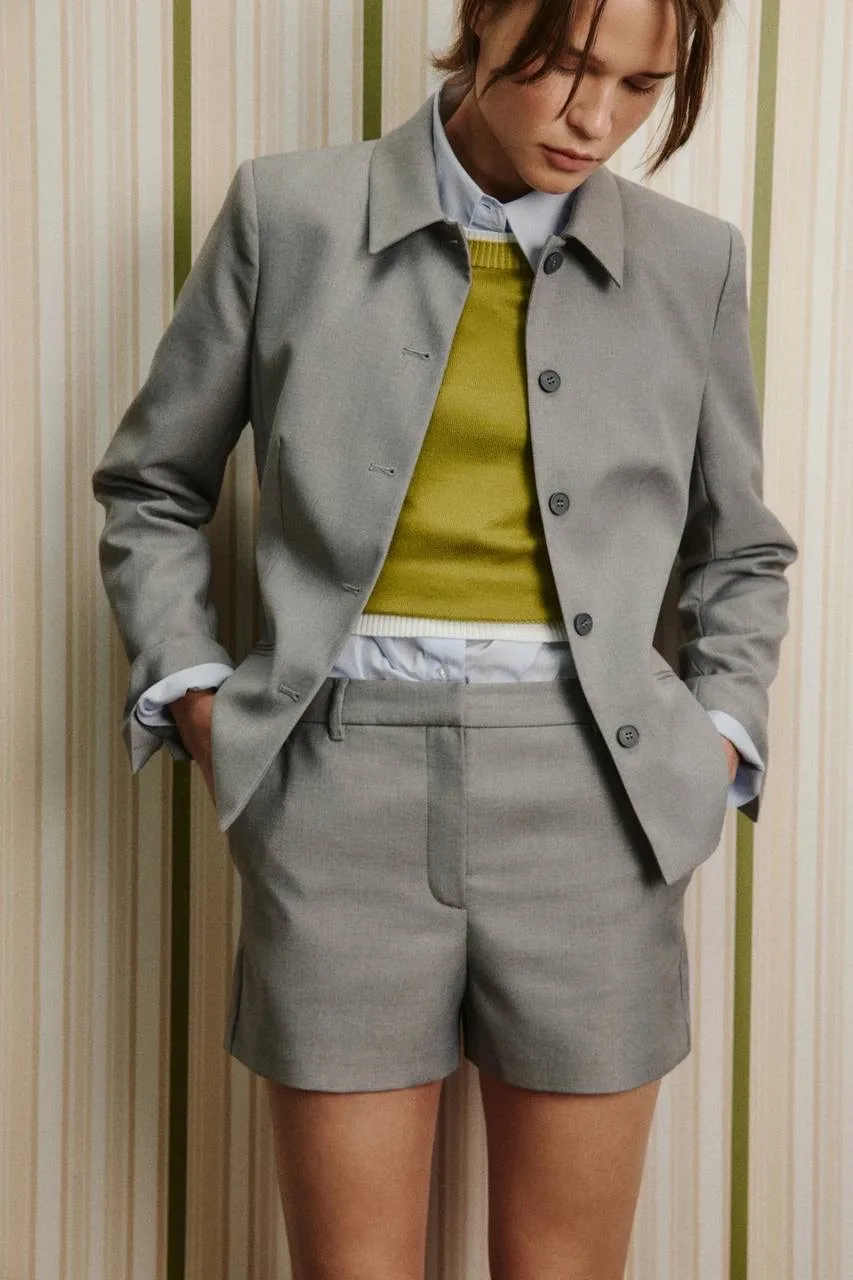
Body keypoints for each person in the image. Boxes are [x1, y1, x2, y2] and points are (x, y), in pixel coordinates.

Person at [92, 0, 798, 1275]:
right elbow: (153, 486)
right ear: (484, 21)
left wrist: (717, 739)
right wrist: (200, 699)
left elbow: (739, 546)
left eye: (641, 86)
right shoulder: (287, 215)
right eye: (566, 66)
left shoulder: (692, 261)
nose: (597, 119)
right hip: (334, 787)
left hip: (601, 800)